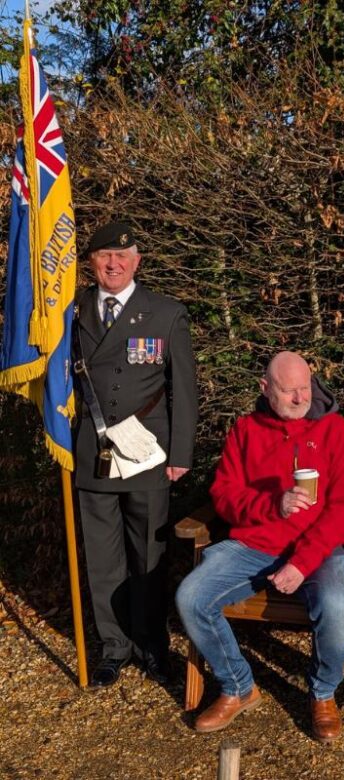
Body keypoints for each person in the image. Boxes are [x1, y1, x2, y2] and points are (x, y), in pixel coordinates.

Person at [175, 351, 344, 741]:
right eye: (288, 390)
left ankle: (323, 693)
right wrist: (272, 504)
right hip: (255, 544)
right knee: (192, 597)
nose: (299, 398)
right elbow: (224, 496)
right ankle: (239, 687)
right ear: (265, 389)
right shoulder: (246, 429)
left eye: (305, 388)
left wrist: (303, 562)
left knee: (338, 609)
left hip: (318, 549)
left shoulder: (333, 430)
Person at [73, 221, 197, 688]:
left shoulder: (164, 313)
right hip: (93, 448)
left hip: (147, 452)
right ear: (92, 263)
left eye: (123, 257)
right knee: (103, 559)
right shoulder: (70, 310)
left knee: (148, 555)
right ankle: (113, 647)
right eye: (105, 257)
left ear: (137, 262)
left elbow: (183, 389)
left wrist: (180, 451)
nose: (114, 264)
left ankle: (150, 644)